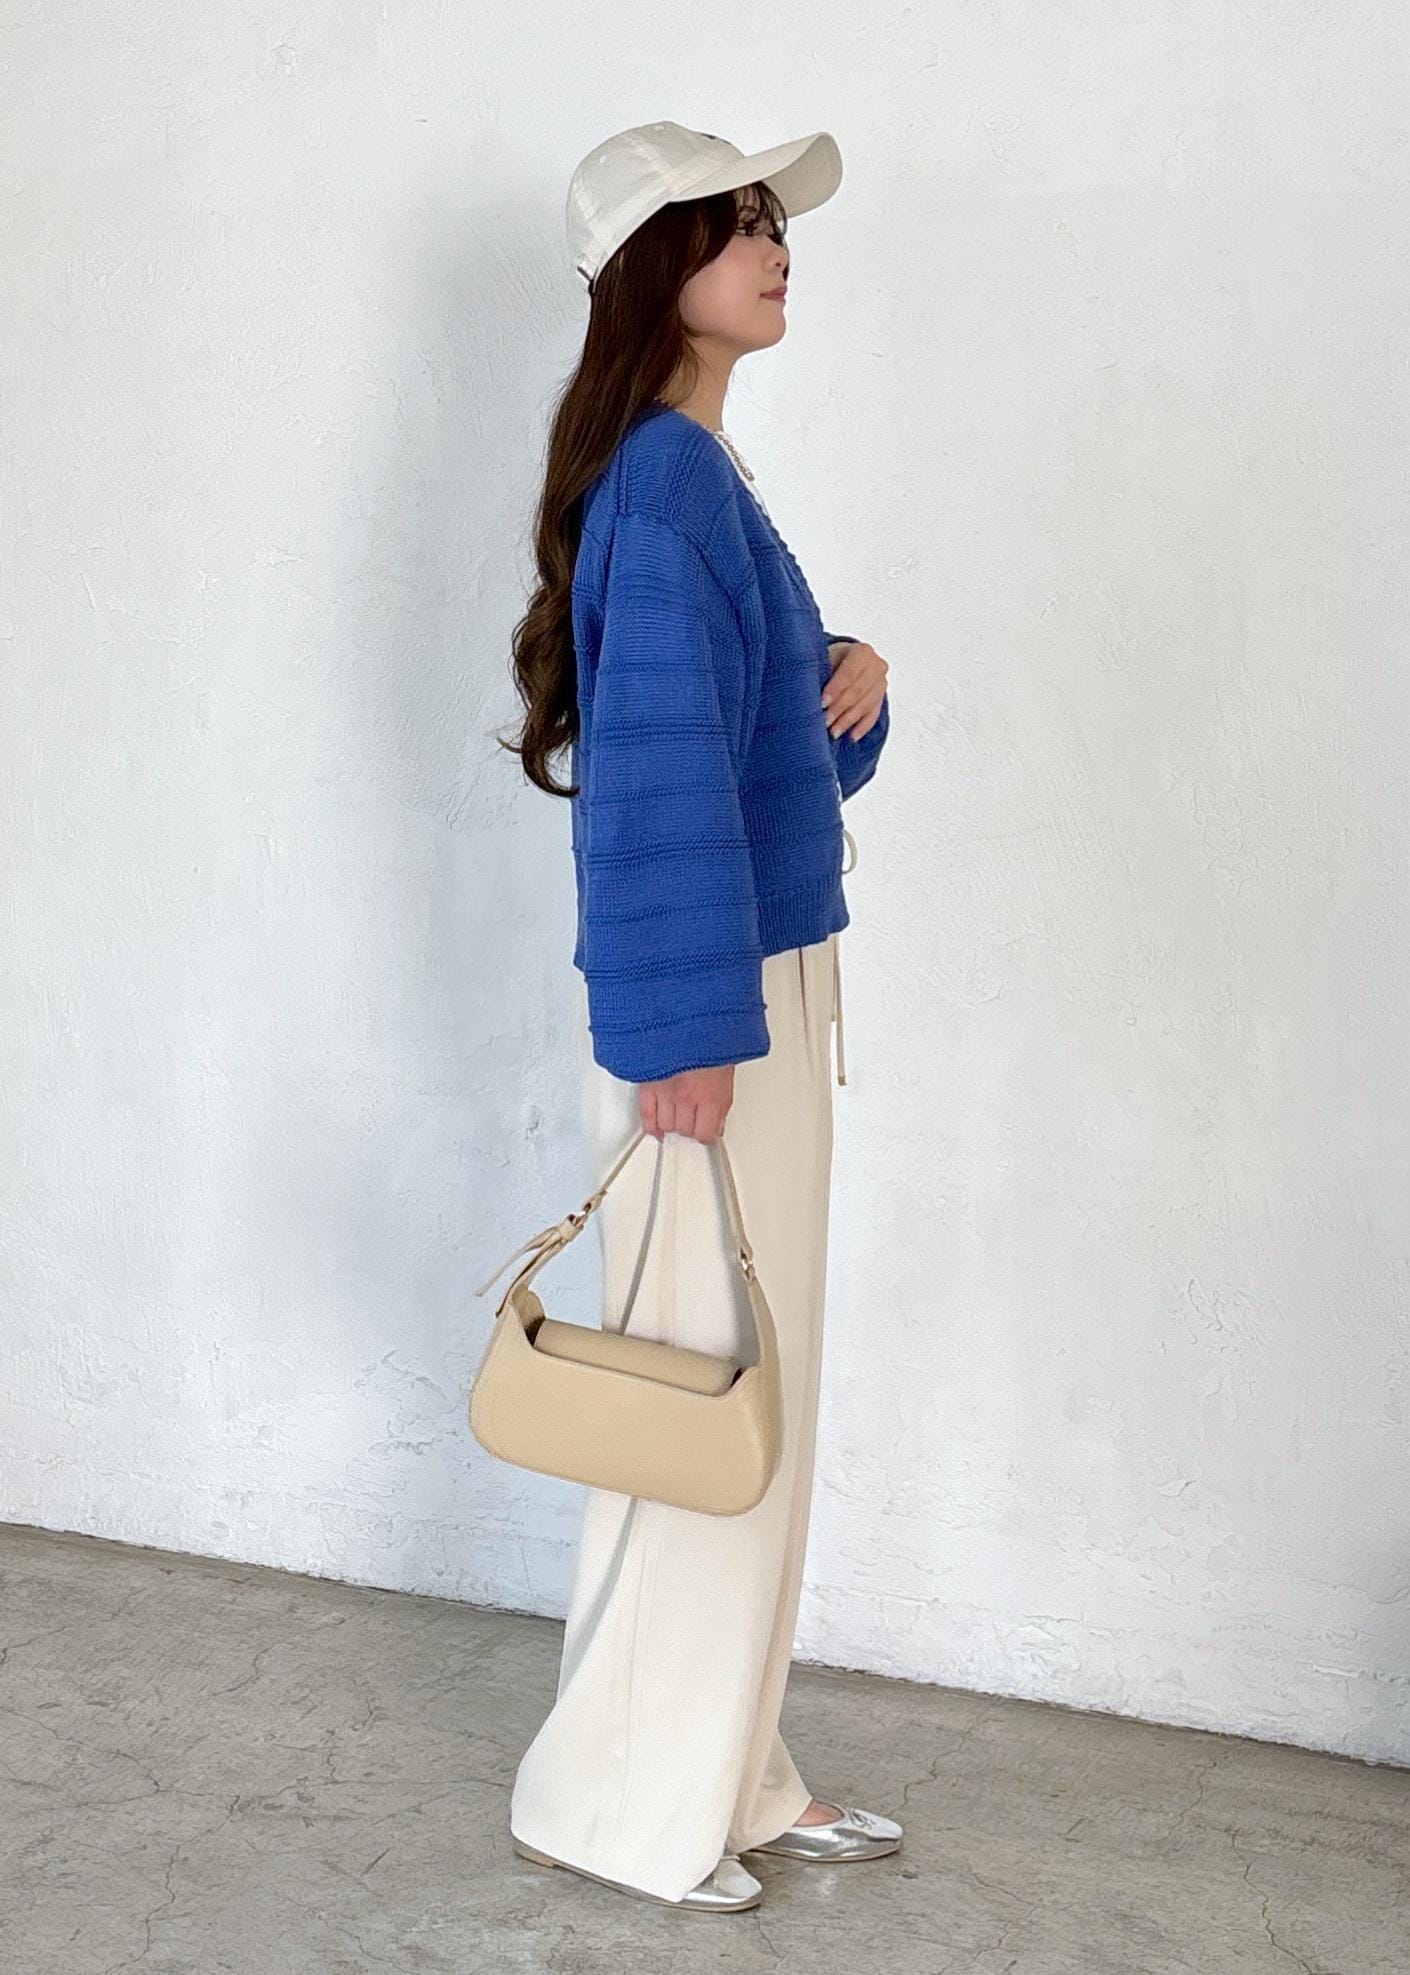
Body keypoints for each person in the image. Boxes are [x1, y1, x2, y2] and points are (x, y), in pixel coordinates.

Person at [494, 119, 898, 1913]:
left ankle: (729, 1774)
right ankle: (622, 1804)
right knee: (695, 1408)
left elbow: (743, 751)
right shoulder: (665, 487)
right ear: (658, 269)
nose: (775, 244)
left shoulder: (692, 476)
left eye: (771, 222)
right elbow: (651, 790)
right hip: (706, 1015)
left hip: (749, 984)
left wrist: (844, 683)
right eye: (737, 224)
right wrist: (681, 1036)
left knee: (743, 1400)